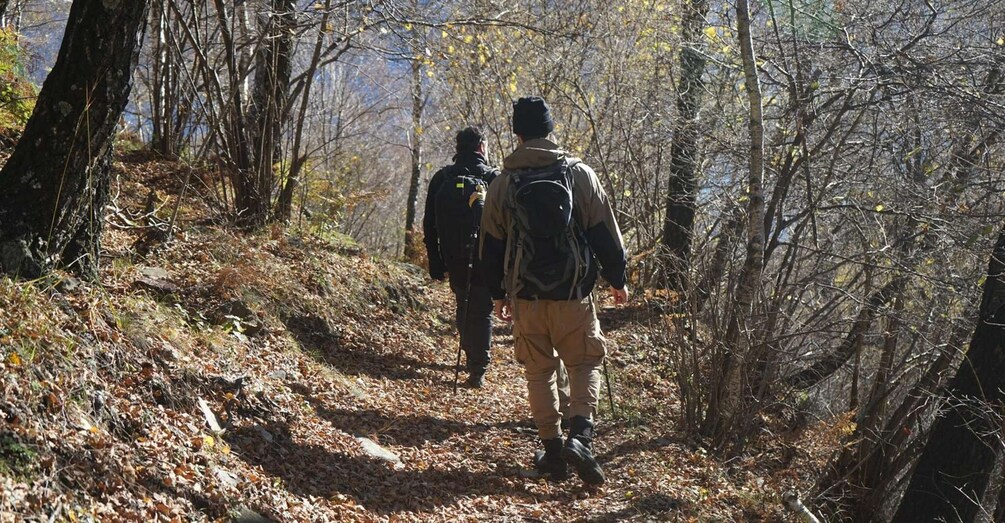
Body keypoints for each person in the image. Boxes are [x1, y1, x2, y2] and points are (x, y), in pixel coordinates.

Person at [480, 97, 628, 485]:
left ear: (518, 133)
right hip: (574, 294)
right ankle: (581, 436)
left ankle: (551, 450)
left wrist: (498, 293)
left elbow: (491, 247)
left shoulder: (501, 184)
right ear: (550, 129)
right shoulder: (579, 174)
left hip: (526, 296)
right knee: (584, 362)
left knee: (539, 372)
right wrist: (617, 277)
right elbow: (603, 231)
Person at [423, 127, 499, 388]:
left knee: (464, 302)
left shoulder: (442, 178)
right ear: (481, 147)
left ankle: (472, 356)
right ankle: (478, 367)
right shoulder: (493, 178)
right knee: (483, 309)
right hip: (487, 257)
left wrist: (436, 261)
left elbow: (429, 224)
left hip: (454, 255)